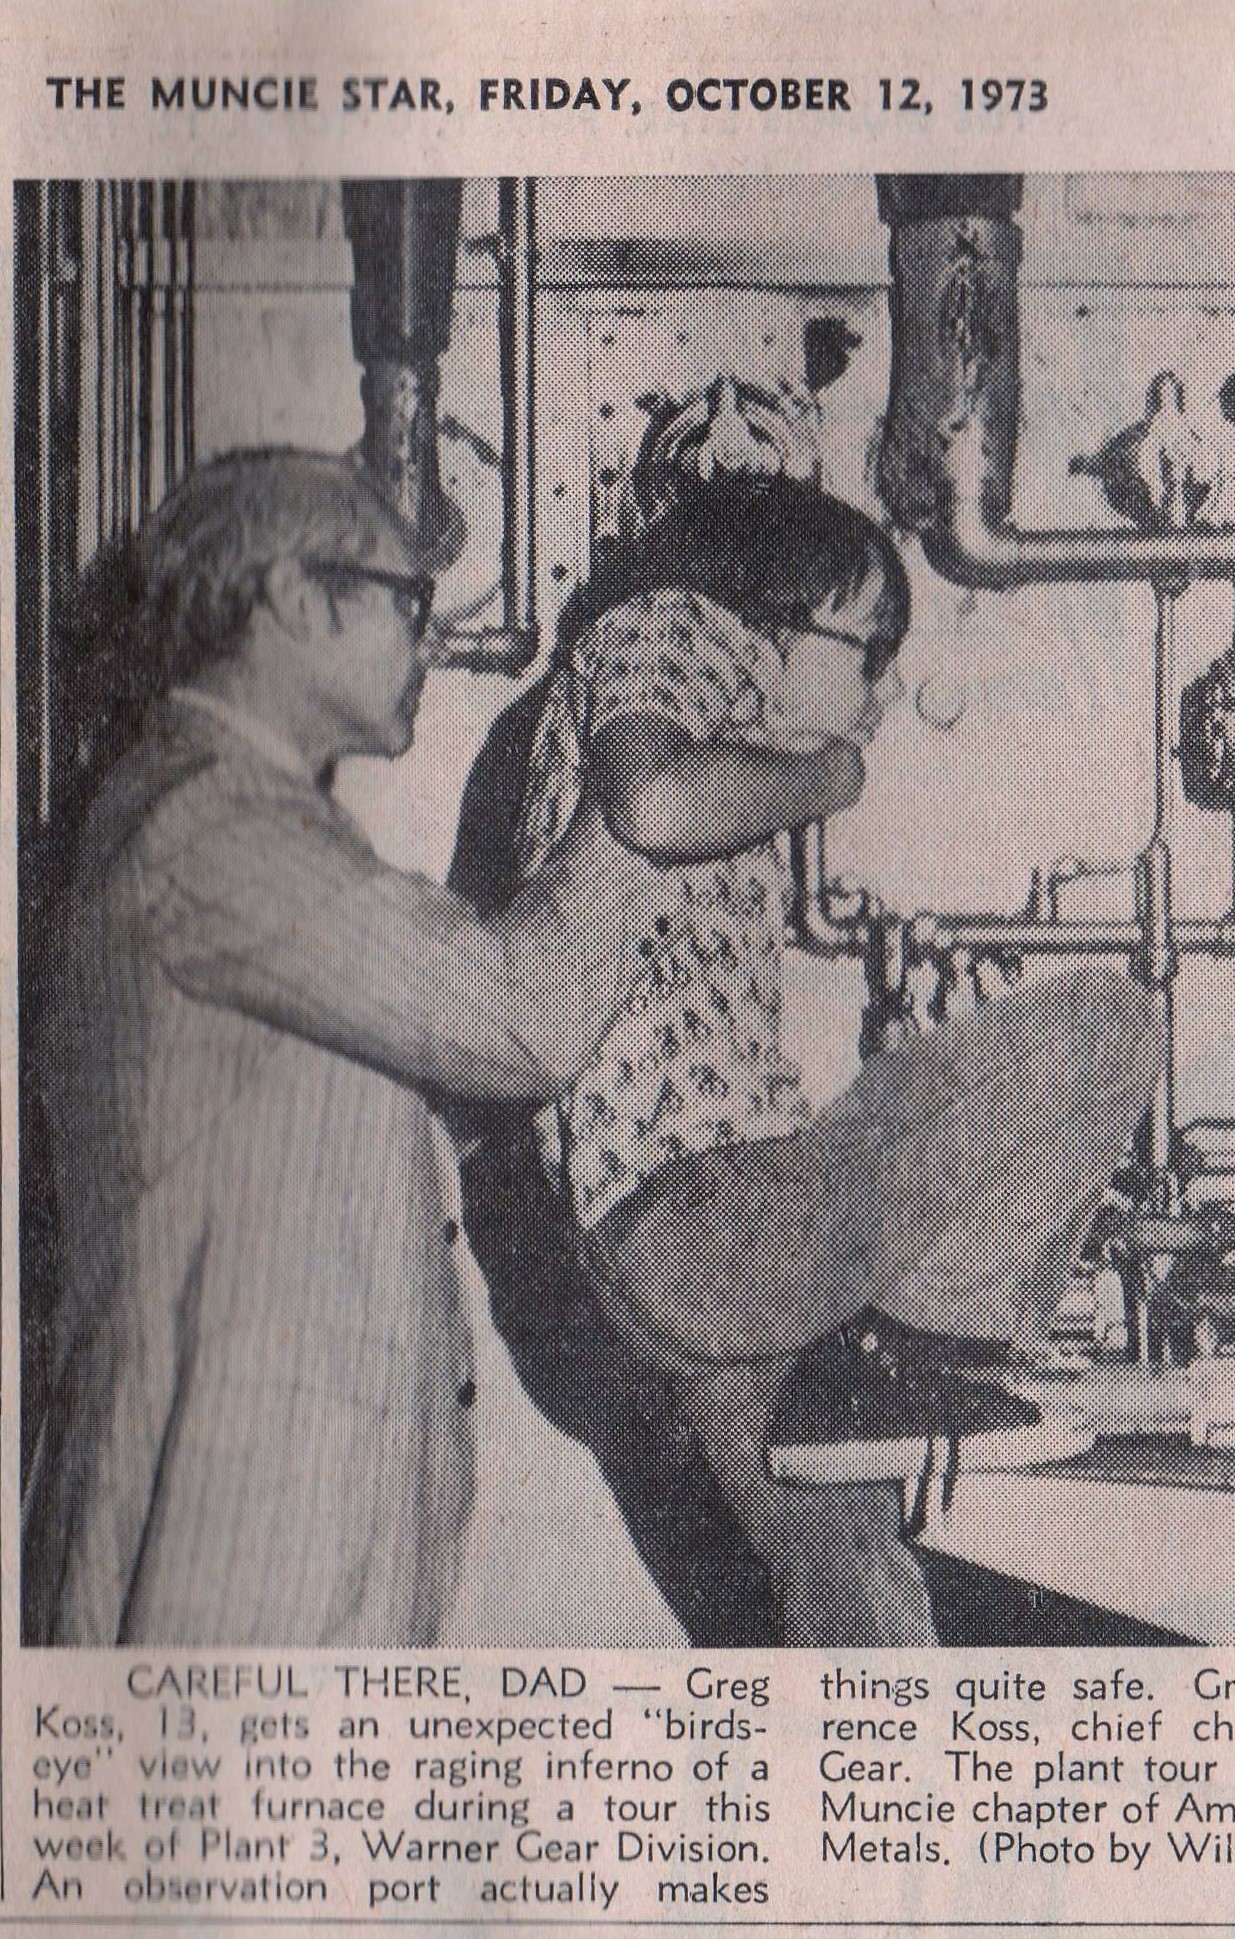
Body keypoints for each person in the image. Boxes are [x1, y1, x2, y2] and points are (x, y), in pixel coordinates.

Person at [471, 473, 1165, 1646]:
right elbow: (649, 796)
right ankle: (931, 1339)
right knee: (1113, 1020)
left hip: (669, 1263)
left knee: (843, 1561)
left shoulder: (673, 690)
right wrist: (830, 775)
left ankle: (875, 1808)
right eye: (869, 647)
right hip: (709, 1216)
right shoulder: (675, 620)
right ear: (776, 607)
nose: (881, 693)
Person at [22, 447, 691, 1648]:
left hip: (266, 1535)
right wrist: (658, 782)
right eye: (406, 601)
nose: (428, 642)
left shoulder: (224, 811)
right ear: (290, 597)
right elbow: (525, 1014)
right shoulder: (208, 827)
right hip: (235, 1550)